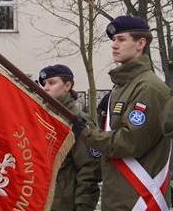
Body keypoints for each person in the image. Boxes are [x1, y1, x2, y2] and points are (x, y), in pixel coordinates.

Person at [76, 15, 171, 210]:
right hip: (119, 197)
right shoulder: (122, 87)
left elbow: (129, 142)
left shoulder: (149, 88)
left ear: (140, 43)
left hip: (140, 200)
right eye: (113, 40)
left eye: (121, 39)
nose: (114, 45)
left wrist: (87, 134)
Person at [39, 65, 101, 211]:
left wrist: (83, 207)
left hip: (66, 204)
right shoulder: (44, 117)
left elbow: (90, 169)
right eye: (44, 84)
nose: (46, 88)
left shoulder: (77, 121)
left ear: (67, 86)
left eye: (52, 83)